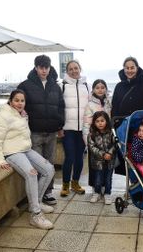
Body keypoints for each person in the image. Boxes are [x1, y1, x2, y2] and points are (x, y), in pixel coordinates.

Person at [0, 89, 55, 230]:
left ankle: (37, 202)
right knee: (31, 174)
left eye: (22, 101)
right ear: (10, 101)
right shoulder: (3, 115)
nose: (20, 103)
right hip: (11, 152)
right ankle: (35, 215)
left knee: (49, 169)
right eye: (16, 100)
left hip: (25, 149)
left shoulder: (22, 115)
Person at [17, 55, 65, 206]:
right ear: (36, 68)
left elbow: (60, 107)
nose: (44, 70)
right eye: (41, 67)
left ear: (50, 68)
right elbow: (17, 105)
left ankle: (48, 192)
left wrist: (60, 125)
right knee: (37, 165)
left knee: (49, 164)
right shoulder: (25, 85)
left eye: (46, 68)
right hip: (34, 132)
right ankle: (36, 194)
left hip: (51, 132)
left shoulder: (55, 86)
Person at [60, 60, 90, 197]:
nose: (73, 71)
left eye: (76, 68)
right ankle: (65, 184)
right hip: (68, 129)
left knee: (79, 158)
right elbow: (58, 108)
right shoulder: (63, 86)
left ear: (80, 69)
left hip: (83, 129)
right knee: (69, 157)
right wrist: (59, 127)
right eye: (70, 69)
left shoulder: (87, 86)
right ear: (67, 71)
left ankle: (75, 183)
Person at [87, 111, 116, 204]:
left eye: (102, 120)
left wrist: (109, 153)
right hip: (97, 161)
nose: (100, 123)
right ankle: (97, 192)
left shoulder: (111, 133)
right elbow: (92, 148)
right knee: (98, 178)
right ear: (94, 123)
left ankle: (107, 194)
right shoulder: (91, 134)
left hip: (110, 160)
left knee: (108, 178)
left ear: (107, 121)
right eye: (97, 121)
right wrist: (103, 154)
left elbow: (115, 144)